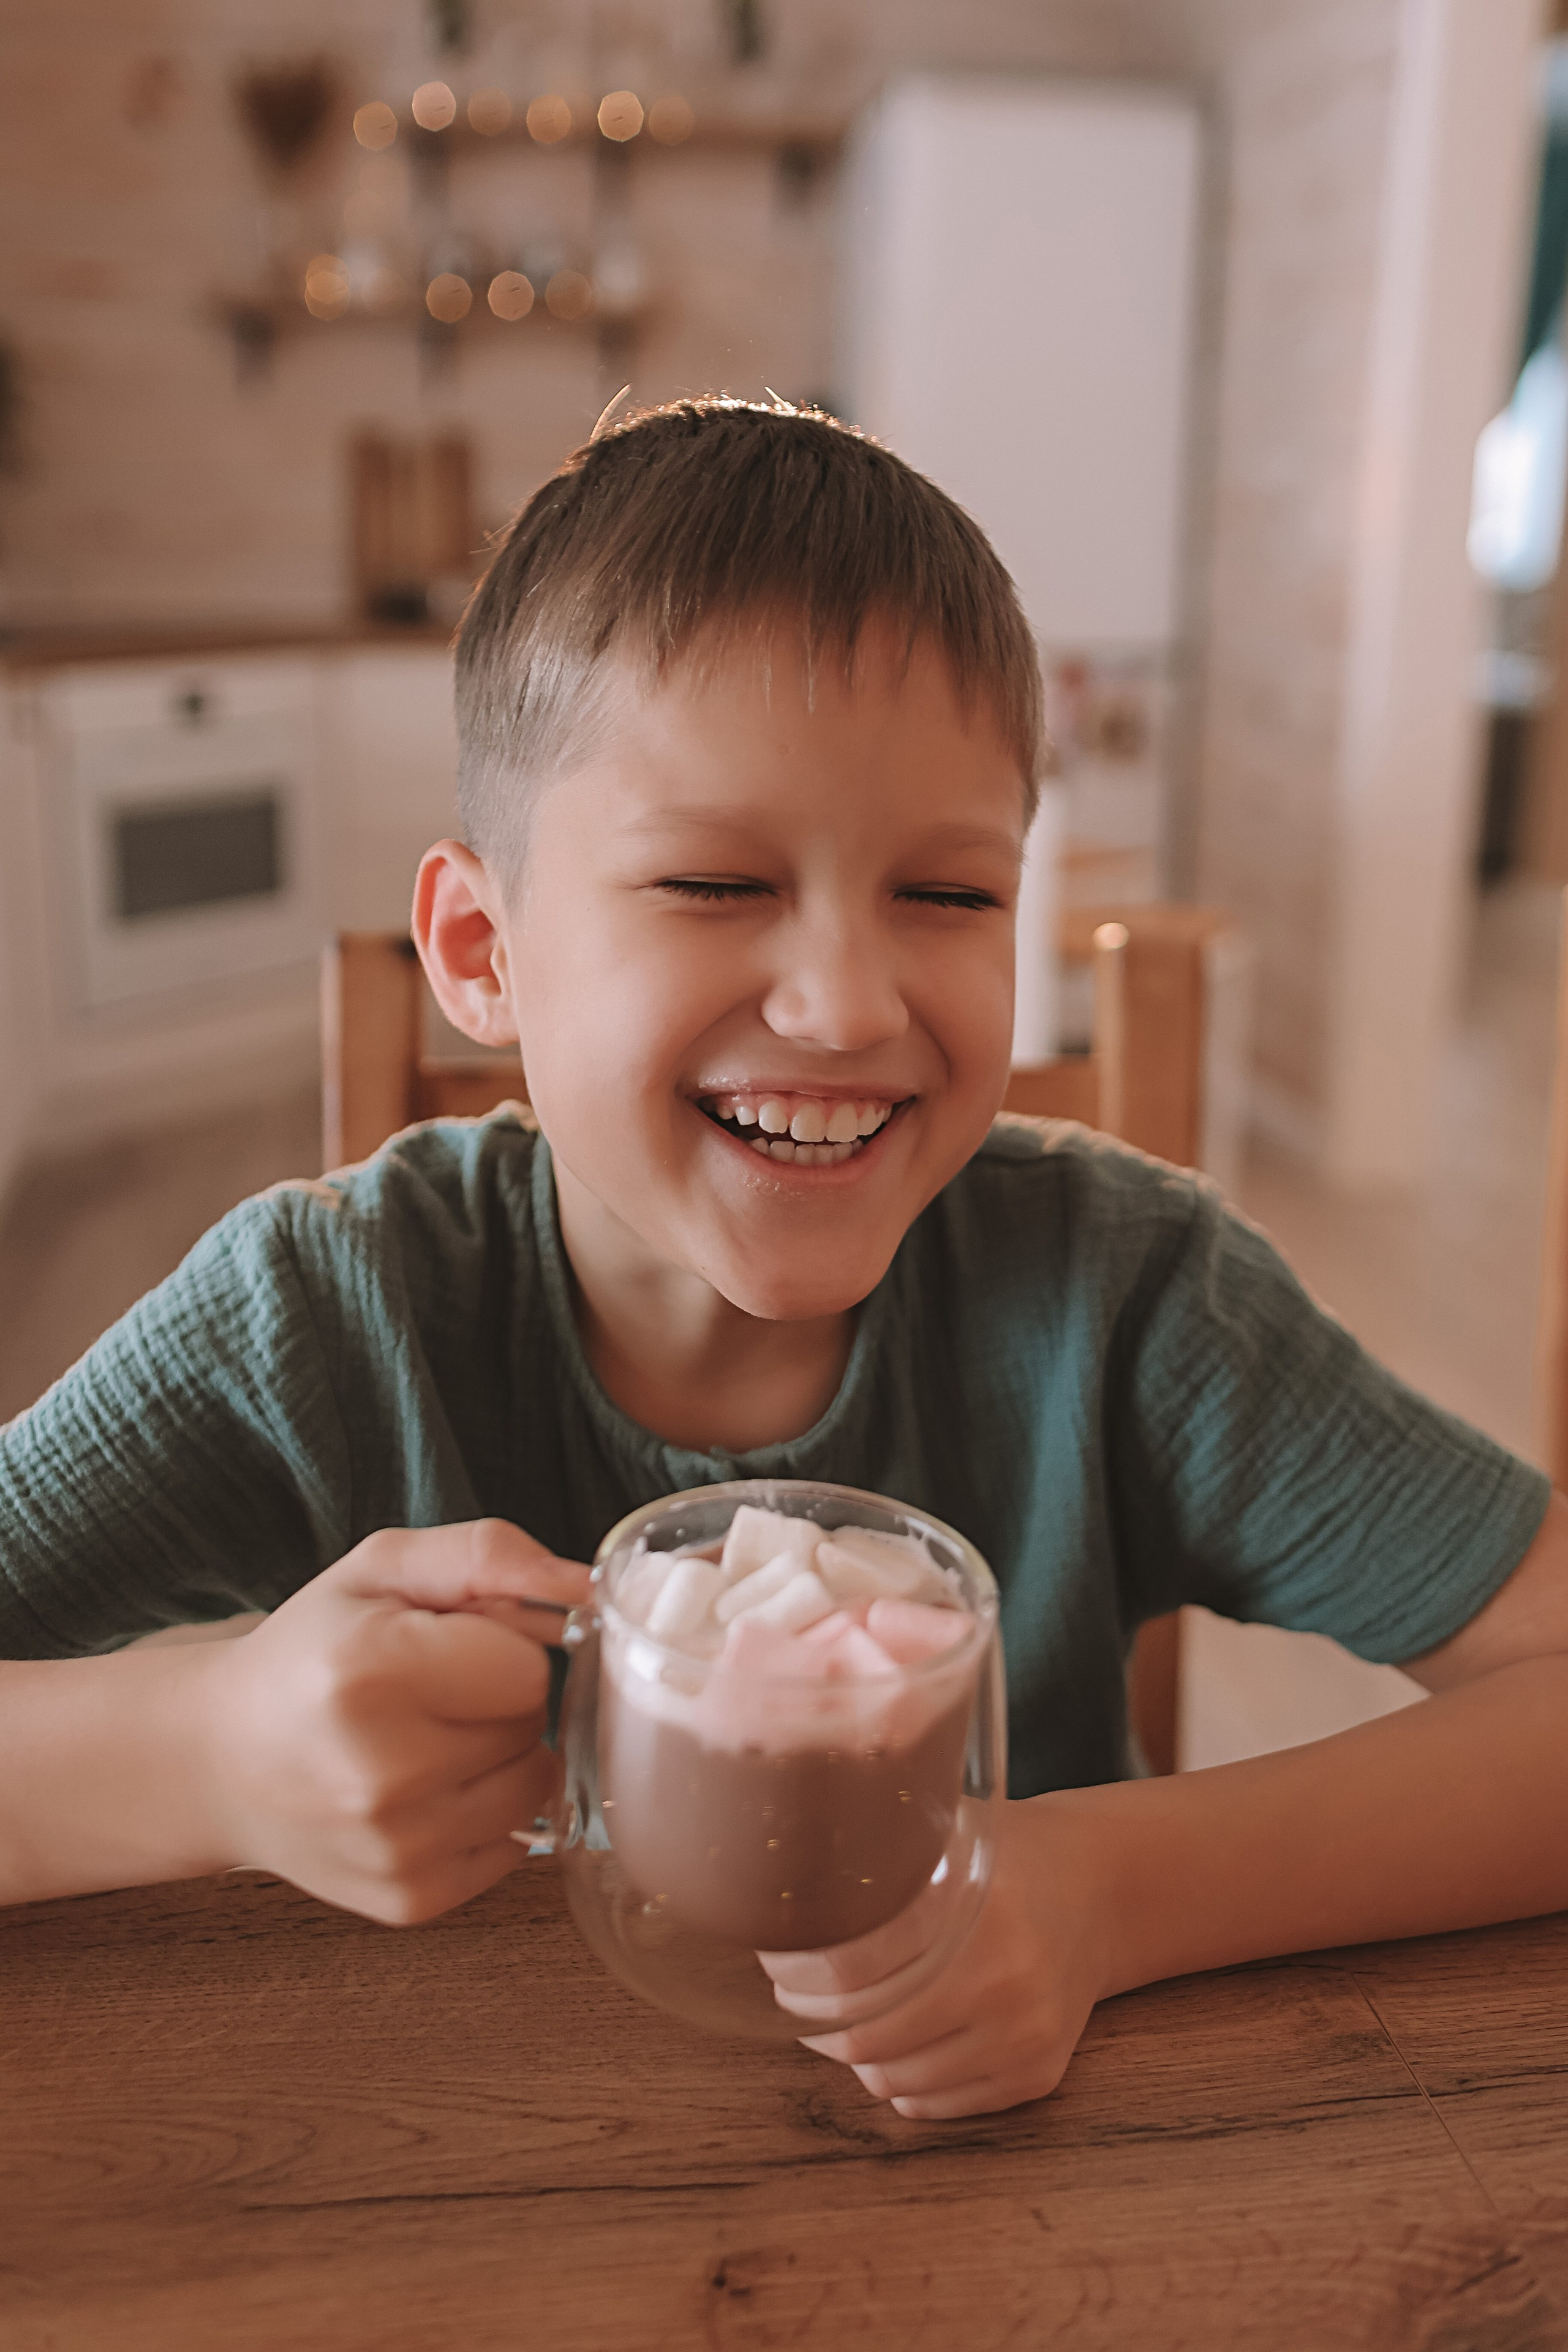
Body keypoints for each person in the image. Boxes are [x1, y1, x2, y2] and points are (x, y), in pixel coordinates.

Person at [2, 398, 1566, 2122]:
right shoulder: (318, 1322)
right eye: (713, 881)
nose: (845, 1004)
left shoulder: (1131, 1301)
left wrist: (1108, 1890)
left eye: (952, 898)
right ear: (480, 949)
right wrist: (200, 1756)